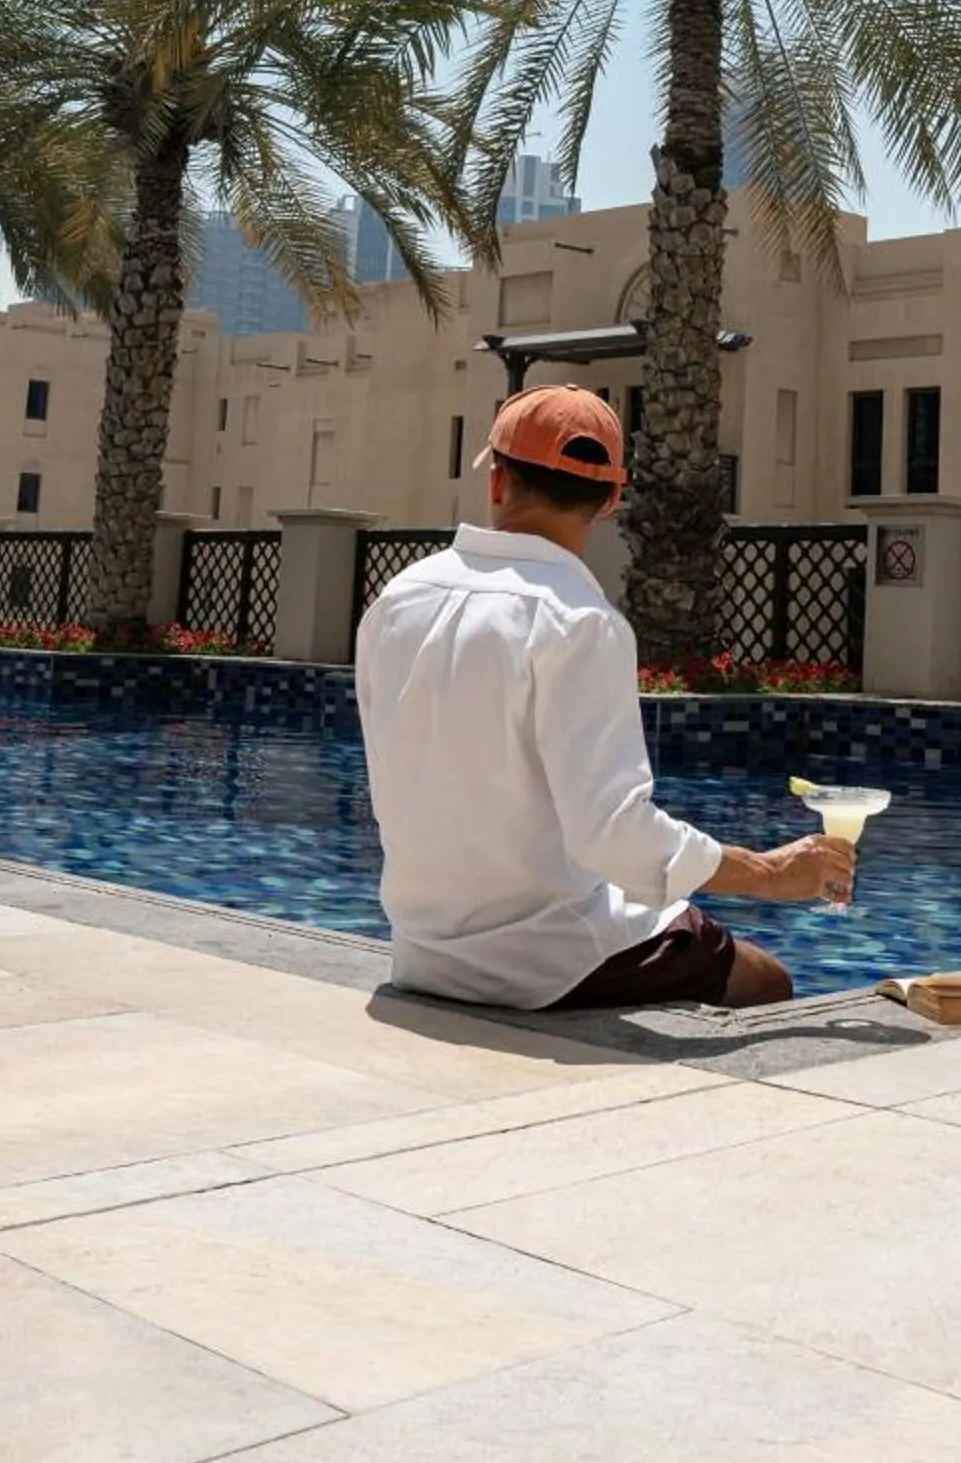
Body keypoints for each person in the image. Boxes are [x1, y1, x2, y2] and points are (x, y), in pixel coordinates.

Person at [355, 383, 851, 1011]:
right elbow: (611, 833)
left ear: (497, 481)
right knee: (766, 980)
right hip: (542, 962)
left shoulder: (397, 599)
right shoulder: (580, 623)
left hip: (422, 951)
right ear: (612, 500)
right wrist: (770, 874)